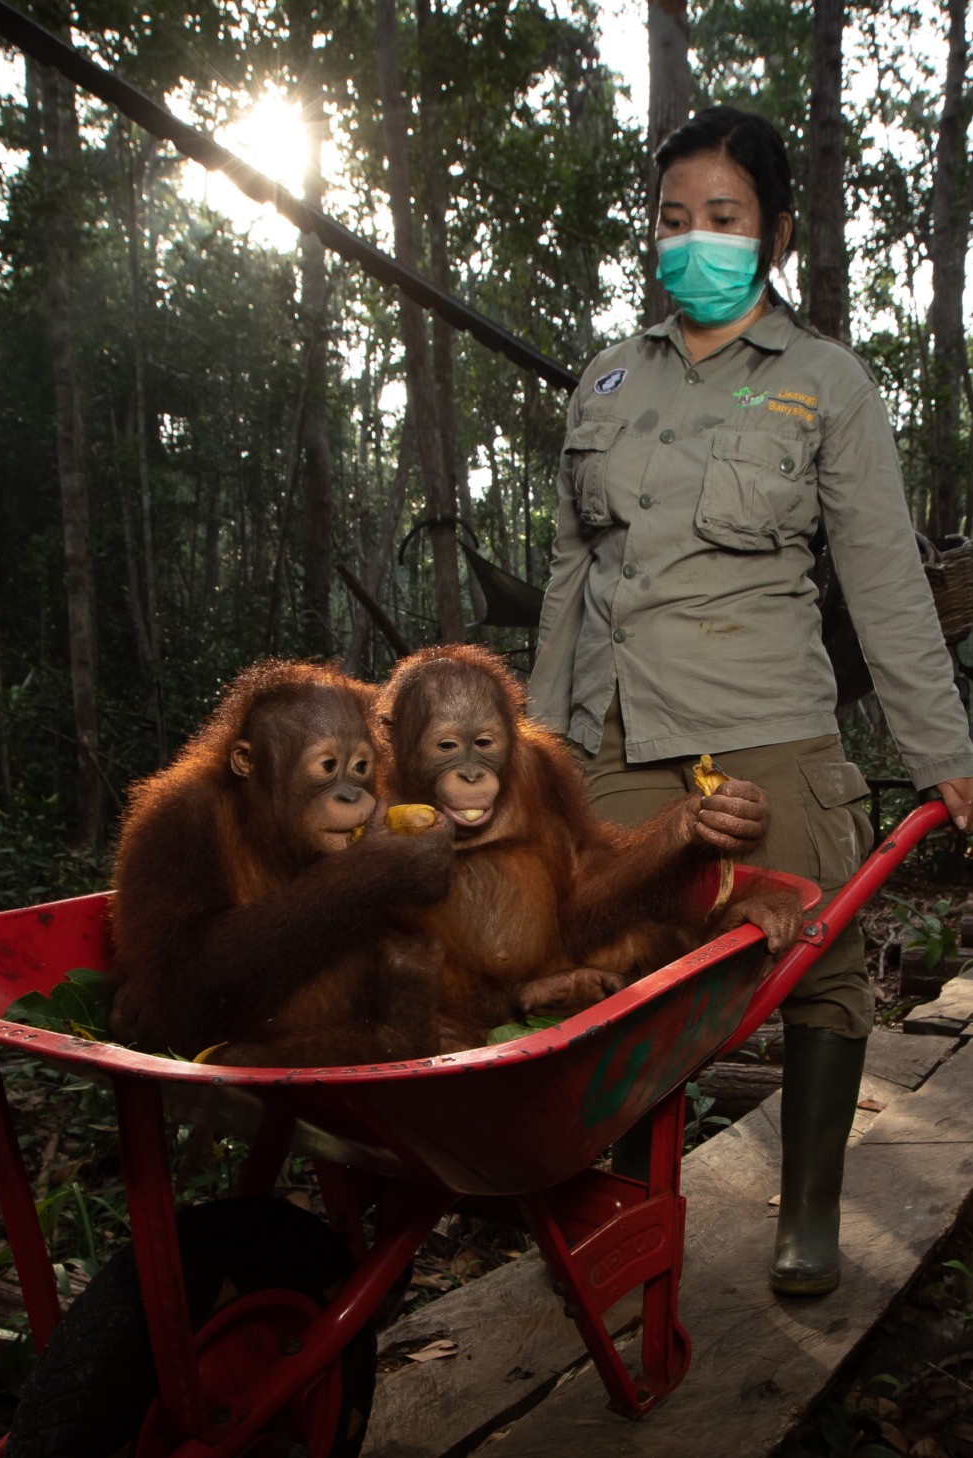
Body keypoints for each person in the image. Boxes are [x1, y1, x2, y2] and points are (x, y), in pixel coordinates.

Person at [528, 105, 973, 1298]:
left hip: (766, 721)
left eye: (720, 219)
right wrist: (540, 745)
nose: (693, 242)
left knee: (817, 962)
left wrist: (945, 750)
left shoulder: (822, 380)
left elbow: (882, 578)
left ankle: (807, 1211)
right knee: (621, 968)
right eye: (672, 220)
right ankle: (630, 1203)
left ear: (772, 231)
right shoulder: (607, 378)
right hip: (621, 729)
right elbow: (570, 578)